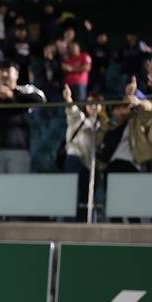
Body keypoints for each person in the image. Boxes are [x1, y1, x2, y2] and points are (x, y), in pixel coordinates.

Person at [61, 85, 108, 221]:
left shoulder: (104, 126)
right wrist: (68, 99)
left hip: (91, 166)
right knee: (71, 195)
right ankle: (68, 225)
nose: (93, 106)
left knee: (87, 199)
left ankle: (84, 227)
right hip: (74, 160)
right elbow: (72, 110)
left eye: (96, 103)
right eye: (90, 103)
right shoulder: (80, 120)